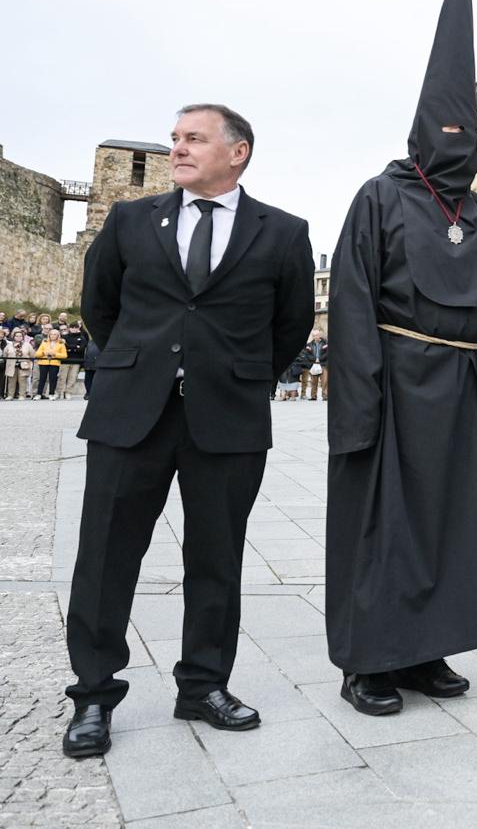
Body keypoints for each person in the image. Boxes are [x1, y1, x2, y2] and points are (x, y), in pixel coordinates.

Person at [63, 103, 313, 758]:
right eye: (174, 138)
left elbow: (289, 327)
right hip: (130, 413)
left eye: (193, 138)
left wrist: (232, 375)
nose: (177, 148)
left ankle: (203, 685)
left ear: (238, 152)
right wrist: (137, 366)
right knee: (105, 555)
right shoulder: (130, 220)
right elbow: (100, 305)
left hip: (227, 420)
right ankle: (92, 694)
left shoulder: (283, 233)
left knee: (216, 559)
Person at [325, 0, 477, 717]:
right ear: (420, 131)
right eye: (444, 129)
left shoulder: (476, 216)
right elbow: (349, 303)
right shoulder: (379, 198)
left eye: (465, 130)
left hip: (461, 392)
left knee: (449, 523)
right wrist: (361, 401)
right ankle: (368, 660)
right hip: (393, 389)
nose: (455, 140)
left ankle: (426, 649)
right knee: (385, 526)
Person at [34, 327, 67, 399]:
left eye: (55, 334)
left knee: (53, 379)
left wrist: (55, 354)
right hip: (43, 363)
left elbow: (64, 355)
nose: (53, 336)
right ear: (49, 335)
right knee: (42, 378)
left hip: (54, 363)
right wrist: (43, 352)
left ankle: (51, 394)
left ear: (58, 335)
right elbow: (37, 354)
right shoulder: (44, 342)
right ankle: (39, 394)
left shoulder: (61, 343)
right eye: (51, 334)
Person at [3, 329, 33, 399]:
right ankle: (10, 395)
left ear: (23, 337)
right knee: (11, 381)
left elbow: (32, 355)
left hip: (23, 365)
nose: (18, 337)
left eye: (20, 336)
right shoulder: (9, 345)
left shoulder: (27, 345)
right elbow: (5, 355)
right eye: (17, 336)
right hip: (12, 365)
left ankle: (22, 395)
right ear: (14, 337)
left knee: (22, 381)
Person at [300, 330, 329, 400]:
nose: (315, 337)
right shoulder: (309, 344)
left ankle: (325, 396)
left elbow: (328, 353)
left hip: (323, 364)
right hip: (313, 364)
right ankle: (313, 396)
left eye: (316, 335)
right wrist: (314, 359)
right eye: (314, 335)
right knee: (314, 381)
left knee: (324, 381)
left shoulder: (326, 343)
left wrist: (319, 359)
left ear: (320, 335)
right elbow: (307, 354)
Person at [62, 322, 88, 398]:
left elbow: (81, 348)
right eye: (72, 327)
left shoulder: (82, 337)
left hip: (76, 361)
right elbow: (64, 348)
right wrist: (75, 347)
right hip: (65, 360)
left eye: (75, 327)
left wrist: (69, 347)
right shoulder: (64, 336)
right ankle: (60, 391)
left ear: (78, 328)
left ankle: (68, 392)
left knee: (72, 377)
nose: (73, 329)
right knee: (62, 377)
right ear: (69, 328)